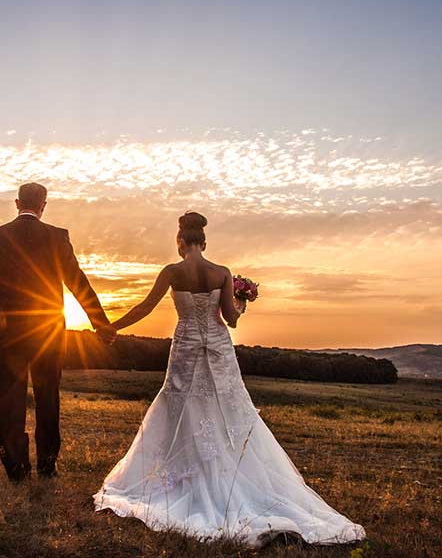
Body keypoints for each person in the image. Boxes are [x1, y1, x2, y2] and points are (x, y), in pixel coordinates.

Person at [93, 211, 365, 548]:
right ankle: (230, 475)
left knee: (180, 408)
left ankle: (183, 476)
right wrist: (240, 301)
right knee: (227, 411)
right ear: (203, 242)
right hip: (219, 350)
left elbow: (145, 307)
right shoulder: (220, 272)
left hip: (187, 348)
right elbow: (231, 320)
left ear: (180, 242)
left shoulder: (172, 272)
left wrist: (112, 327)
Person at [0, 182, 116, 481]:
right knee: (48, 398)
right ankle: (47, 464)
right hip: (49, 331)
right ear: (44, 204)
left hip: (8, 334)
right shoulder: (57, 237)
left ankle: (16, 468)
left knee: (9, 401)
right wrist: (100, 322)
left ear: (17, 203)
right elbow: (77, 281)